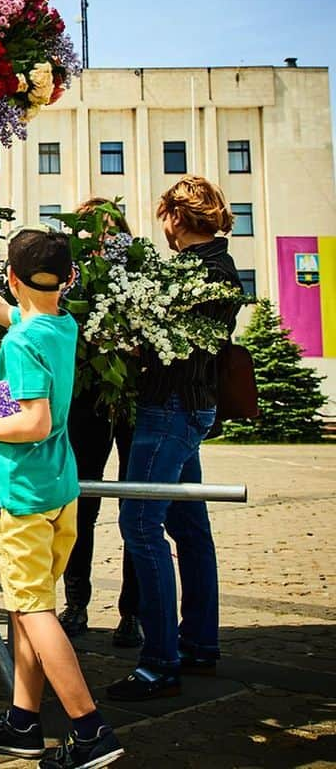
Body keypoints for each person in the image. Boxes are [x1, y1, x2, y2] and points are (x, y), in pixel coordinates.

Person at [0, 227, 125, 768]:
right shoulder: (58, 324)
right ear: (69, 279)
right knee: (27, 608)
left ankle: (91, 731)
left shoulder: (22, 343)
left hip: (20, 494)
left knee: (34, 610)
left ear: (13, 275)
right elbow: (4, 310)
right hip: (59, 490)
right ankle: (23, 721)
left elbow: (34, 421)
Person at [108, 176, 242, 702]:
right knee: (189, 525)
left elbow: (172, 342)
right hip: (185, 409)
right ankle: (199, 644)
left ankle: (159, 662)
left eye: (164, 215)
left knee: (140, 523)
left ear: (176, 218)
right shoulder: (212, 269)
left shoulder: (204, 273)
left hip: (170, 410)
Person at [59, 199, 140, 647]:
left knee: (136, 505)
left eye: (109, 229)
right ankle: (77, 604)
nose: (100, 238)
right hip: (84, 402)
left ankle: (133, 613)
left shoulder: (139, 274)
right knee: (81, 504)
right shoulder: (70, 281)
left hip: (131, 400)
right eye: (91, 230)